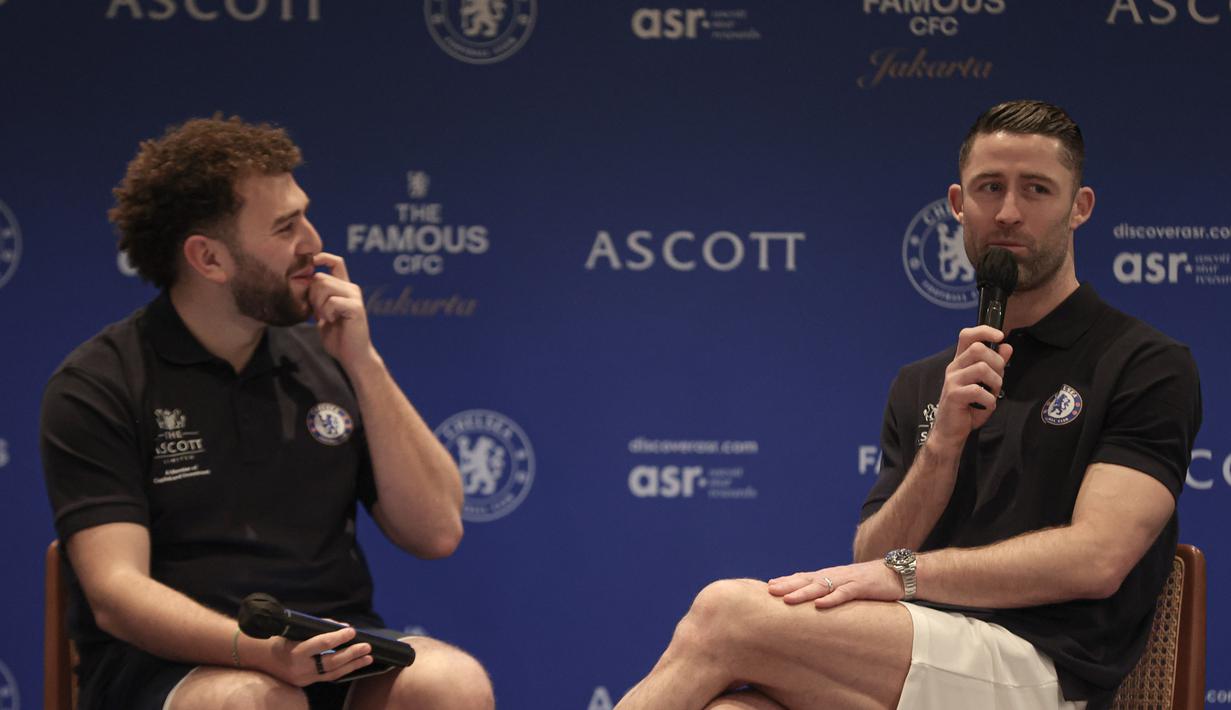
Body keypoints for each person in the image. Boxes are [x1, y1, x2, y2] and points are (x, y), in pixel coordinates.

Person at [614, 100, 1202, 710]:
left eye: (1036, 190)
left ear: (1078, 208)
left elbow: (1097, 559)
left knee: (726, 613)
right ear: (957, 204)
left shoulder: (1144, 363)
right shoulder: (927, 382)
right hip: (912, 654)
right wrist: (942, 444)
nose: (1008, 211)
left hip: (1046, 670)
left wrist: (906, 574)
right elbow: (872, 555)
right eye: (990, 188)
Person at [41, 116, 495, 710]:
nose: (313, 241)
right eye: (285, 227)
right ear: (208, 258)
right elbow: (116, 593)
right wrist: (255, 650)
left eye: (304, 213)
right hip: (171, 668)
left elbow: (436, 531)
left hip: (333, 649)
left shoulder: (328, 359)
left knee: (452, 685)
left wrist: (364, 363)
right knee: (260, 701)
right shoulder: (99, 383)